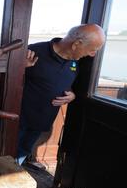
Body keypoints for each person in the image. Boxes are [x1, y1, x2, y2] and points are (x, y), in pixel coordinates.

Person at [16, 24, 106, 166]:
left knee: (23, 151)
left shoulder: (78, 62)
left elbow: (66, 85)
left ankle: (15, 169)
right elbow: (5, 79)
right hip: (17, 119)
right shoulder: (34, 51)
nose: (92, 54)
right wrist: (20, 67)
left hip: (41, 121)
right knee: (7, 151)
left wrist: (73, 96)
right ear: (77, 44)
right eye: (92, 50)